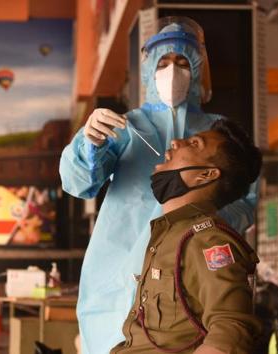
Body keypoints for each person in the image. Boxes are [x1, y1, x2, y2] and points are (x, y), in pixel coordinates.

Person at [59, 17, 258, 353]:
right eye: (163, 62)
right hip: (115, 280)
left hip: (181, 282)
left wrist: (196, 227)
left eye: (182, 62)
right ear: (149, 68)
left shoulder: (218, 137)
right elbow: (78, 183)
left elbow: (229, 324)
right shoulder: (129, 126)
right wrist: (87, 144)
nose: (172, 70)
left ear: (197, 69)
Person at [111, 118, 262, 354]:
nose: (175, 142)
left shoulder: (209, 240)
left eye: (193, 143)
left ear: (207, 174)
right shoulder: (170, 234)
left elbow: (232, 329)